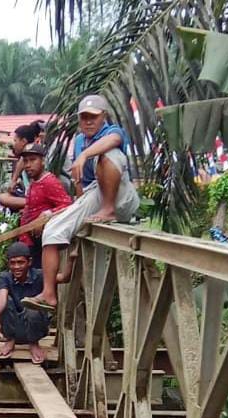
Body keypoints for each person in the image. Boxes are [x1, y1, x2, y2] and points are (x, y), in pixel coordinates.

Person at [23, 94, 141, 313]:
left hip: (120, 195)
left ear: (103, 117)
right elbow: (80, 183)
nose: (88, 121)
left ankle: (109, 208)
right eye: (84, 117)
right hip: (92, 194)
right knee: (52, 230)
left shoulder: (112, 132)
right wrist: (75, 212)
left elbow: (114, 142)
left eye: (93, 117)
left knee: (109, 155)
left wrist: (85, 155)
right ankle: (49, 294)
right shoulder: (78, 141)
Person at [0, 242, 50, 364]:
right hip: (14, 326)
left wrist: (71, 261)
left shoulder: (40, 275)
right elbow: (1, 296)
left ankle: (33, 344)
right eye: (13, 263)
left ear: (29, 262)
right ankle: (10, 340)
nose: (16, 267)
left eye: (20, 262)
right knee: (6, 302)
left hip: (36, 327)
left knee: (32, 304)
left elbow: (63, 277)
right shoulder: (5, 277)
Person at [16, 143, 72, 265]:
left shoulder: (49, 181)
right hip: (28, 240)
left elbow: (67, 206)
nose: (28, 165)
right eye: (25, 161)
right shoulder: (34, 181)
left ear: (43, 161)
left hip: (41, 242)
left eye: (32, 160)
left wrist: (47, 215)